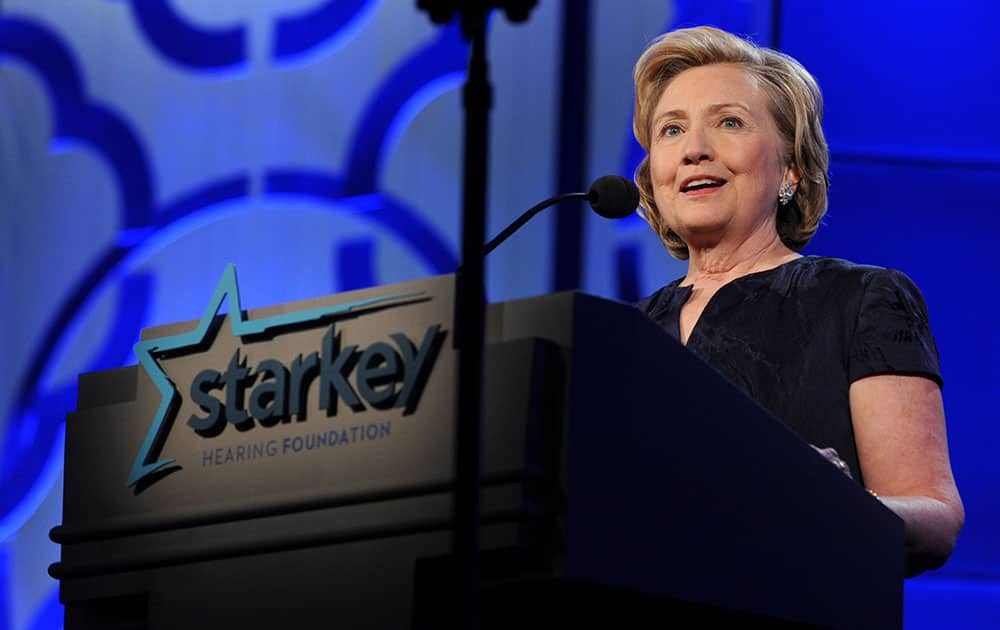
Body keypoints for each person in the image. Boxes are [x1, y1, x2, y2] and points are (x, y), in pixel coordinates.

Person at [632, 26, 963, 577]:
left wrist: (819, 496)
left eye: (729, 122)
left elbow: (935, 518)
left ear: (790, 169)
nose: (693, 150)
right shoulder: (624, 334)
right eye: (671, 131)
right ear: (655, 178)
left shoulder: (862, 300)